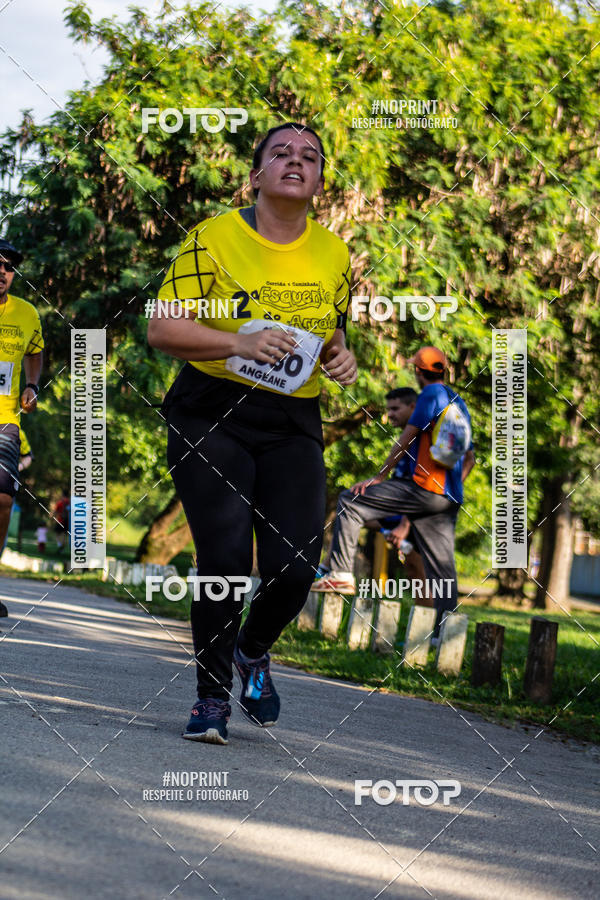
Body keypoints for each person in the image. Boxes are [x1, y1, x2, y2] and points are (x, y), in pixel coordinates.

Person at [148, 122, 357, 744]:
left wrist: (339, 358)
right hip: (211, 410)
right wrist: (237, 341)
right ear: (257, 174)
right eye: (281, 153)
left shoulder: (336, 253)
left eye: (310, 156)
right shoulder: (214, 237)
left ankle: (252, 648)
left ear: (319, 180)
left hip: (293, 418)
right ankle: (210, 698)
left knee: (296, 566)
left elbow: (332, 334)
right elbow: (162, 331)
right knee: (226, 557)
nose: (297, 161)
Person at [313, 347, 475, 632]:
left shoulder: (430, 395)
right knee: (443, 569)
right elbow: (470, 457)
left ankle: (338, 572)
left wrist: (378, 477)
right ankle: (446, 635)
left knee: (351, 499)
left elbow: (406, 438)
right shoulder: (457, 401)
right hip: (448, 497)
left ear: (417, 371)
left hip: (424, 488)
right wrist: (453, 489)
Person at [312, 387, 424, 589]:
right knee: (348, 514)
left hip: (415, 514)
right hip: (398, 512)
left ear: (413, 407)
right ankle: (328, 569)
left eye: (395, 408)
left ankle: (336, 573)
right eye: (388, 409)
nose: (389, 414)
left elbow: (421, 488)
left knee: (420, 573)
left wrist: (405, 526)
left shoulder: (420, 440)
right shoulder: (406, 443)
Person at [0, 239, 44, 618]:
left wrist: (32, 385)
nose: (2, 271)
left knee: (2, 500)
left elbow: (35, 350)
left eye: (9, 266)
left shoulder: (27, 313)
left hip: (5, 421)